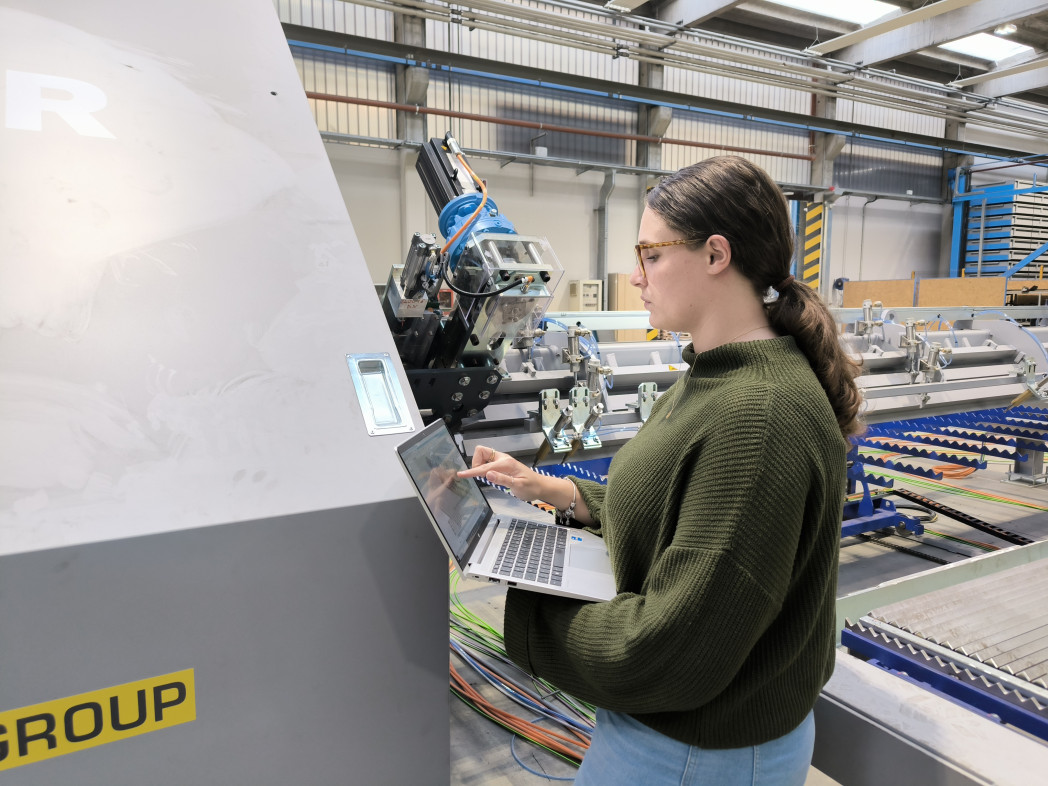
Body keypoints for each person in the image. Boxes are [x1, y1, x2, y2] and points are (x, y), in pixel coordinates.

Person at [458, 155, 863, 785]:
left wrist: (531, 607)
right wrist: (558, 493)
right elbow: (675, 497)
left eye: (650, 254)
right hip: (681, 734)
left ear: (715, 255)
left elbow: (669, 653)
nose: (636, 274)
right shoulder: (716, 372)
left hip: (697, 751)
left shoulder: (757, 417)